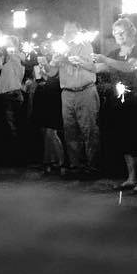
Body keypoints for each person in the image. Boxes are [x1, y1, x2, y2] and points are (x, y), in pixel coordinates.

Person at [93, 18, 137, 192]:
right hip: (118, 100)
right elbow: (99, 68)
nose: (118, 36)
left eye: (122, 32)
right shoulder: (112, 54)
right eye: (116, 33)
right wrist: (80, 63)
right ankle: (131, 177)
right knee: (124, 138)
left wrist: (105, 60)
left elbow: (128, 68)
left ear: (132, 32)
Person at [48, 21, 100, 178]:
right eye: (65, 31)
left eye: (71, 31)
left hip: (85, 91)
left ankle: (93, 167)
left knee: (89, 130)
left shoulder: (85, 45)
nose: (67, 34)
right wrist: (52, 63)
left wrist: (65, 59)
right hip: (67, 93)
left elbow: (87, 64)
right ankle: (75, 166)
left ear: (78, 31)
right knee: (70, 131)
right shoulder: (59, 48)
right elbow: (51, 74)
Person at [31, 54, 65, 175]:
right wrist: (40, 75)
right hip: (44, 101)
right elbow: (42, 81)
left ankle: (61, 162)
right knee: (46, 132)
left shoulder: (61, 68)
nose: (55, 58)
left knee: (52, 133)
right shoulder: (45, 67)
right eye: (54, 56)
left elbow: (54, 79)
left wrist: (46, 70)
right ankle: (52, 161)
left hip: (55, 102)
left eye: (57, 56)